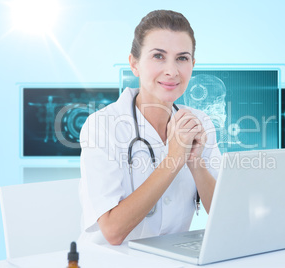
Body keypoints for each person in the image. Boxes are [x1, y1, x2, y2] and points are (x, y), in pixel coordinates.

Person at [79, 10, 222, 246]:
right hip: (107, 260)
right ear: (134, 64)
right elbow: (112, 231)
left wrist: (195, 163)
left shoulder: (199, 122)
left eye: (182, 58)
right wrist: (175, 159)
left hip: (171, 258)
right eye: (158, 56)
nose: (172, 71)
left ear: (192, 65)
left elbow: (223, 215)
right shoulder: (102, 126)